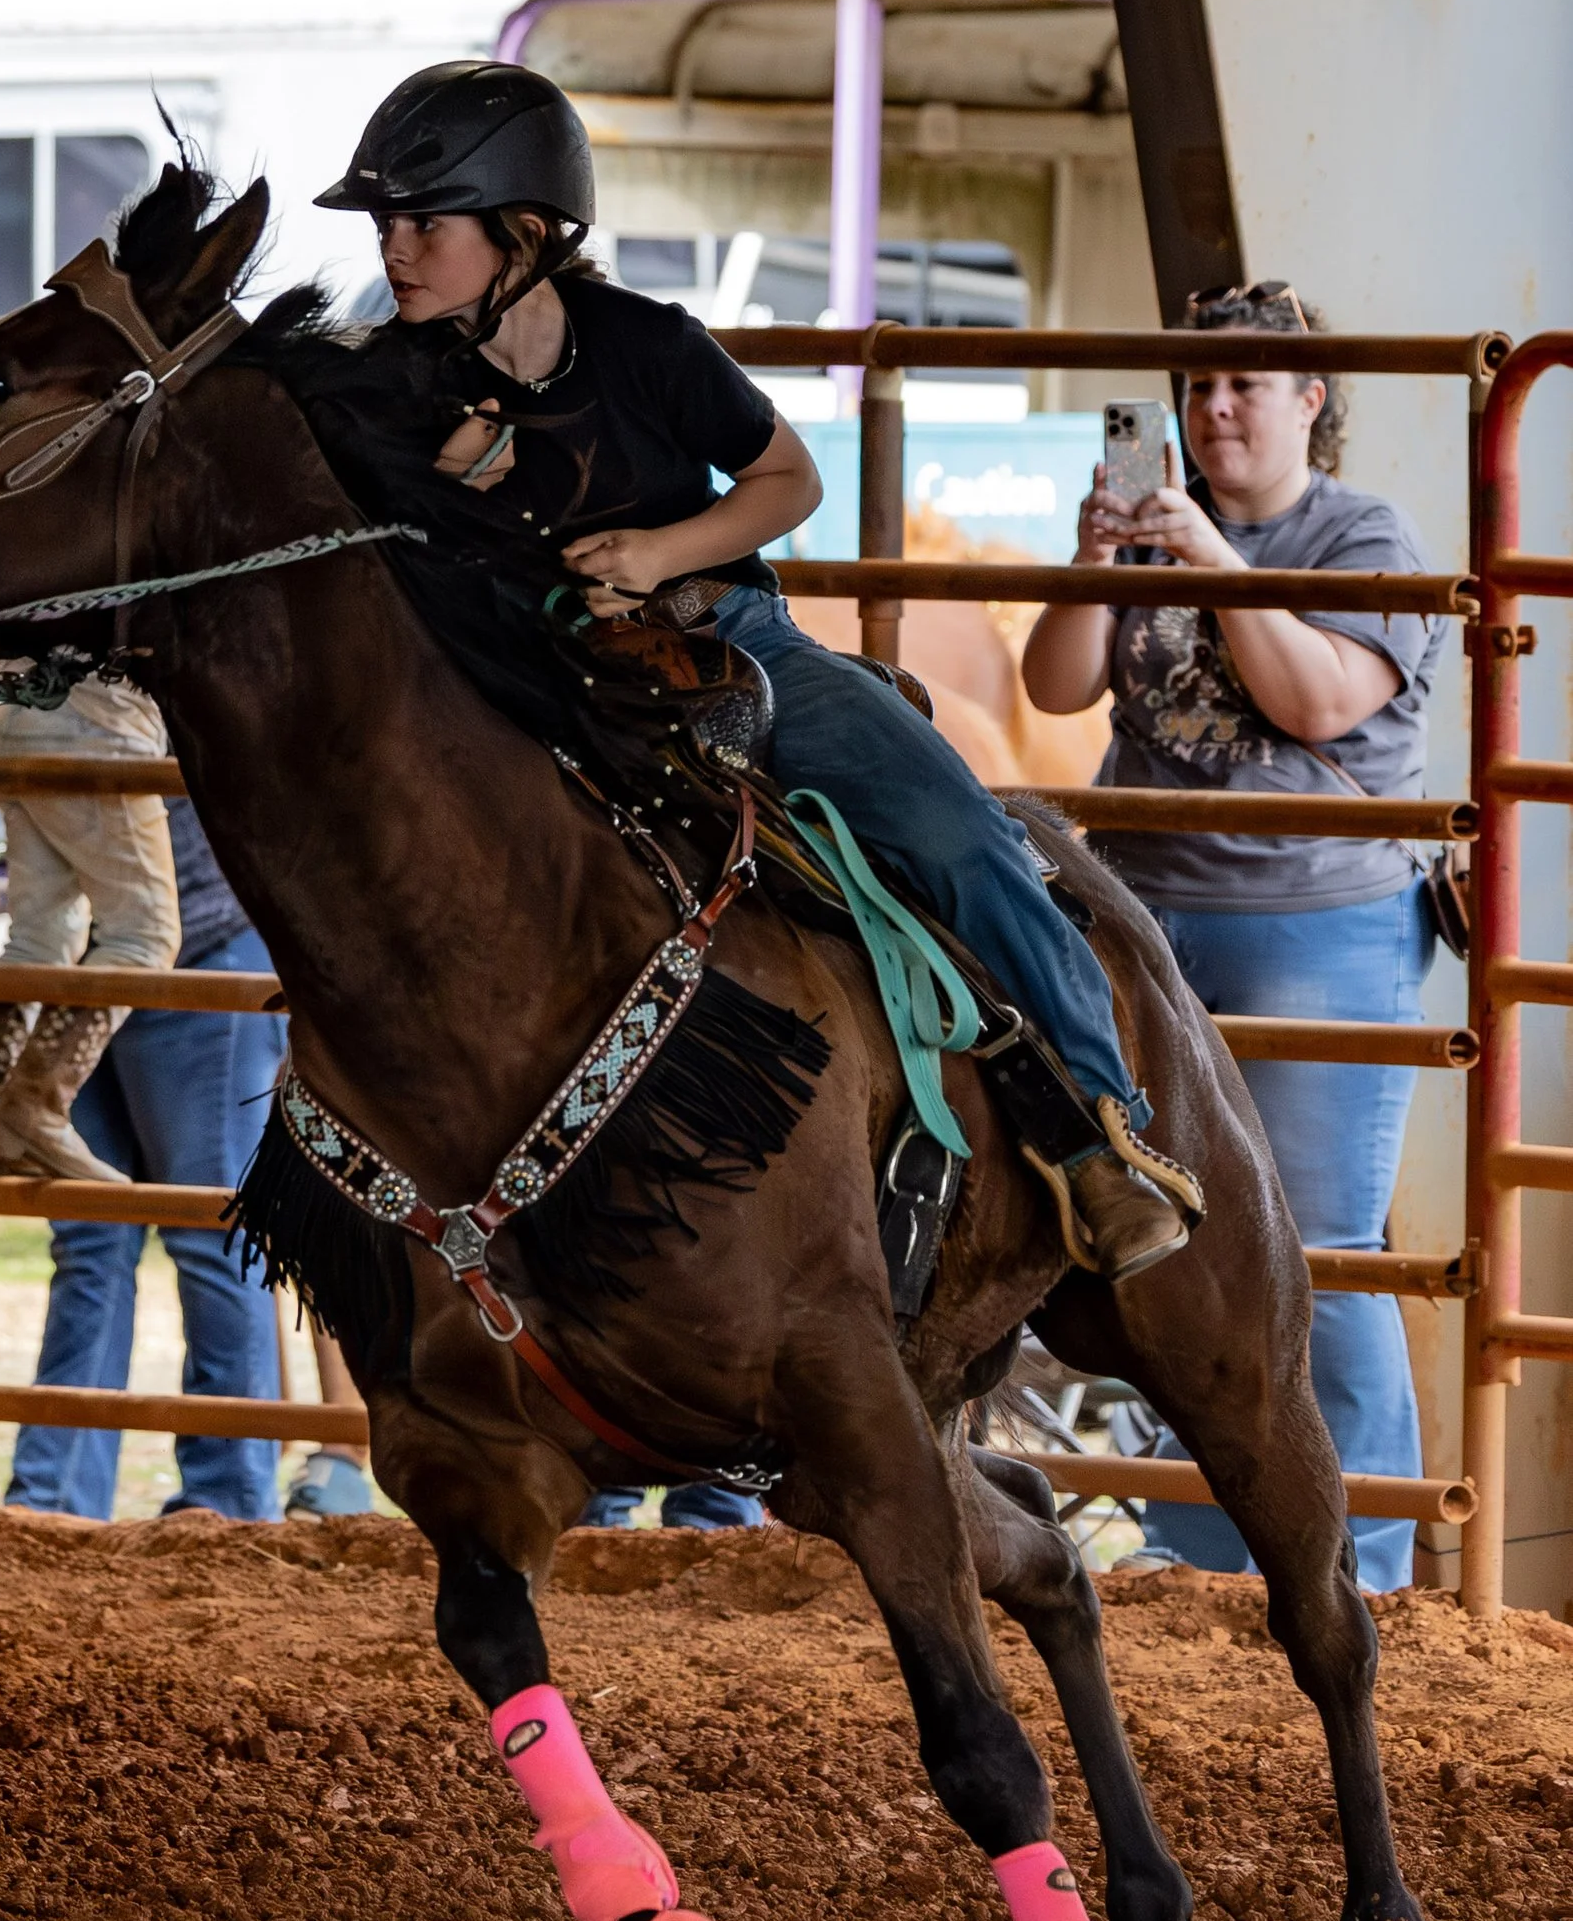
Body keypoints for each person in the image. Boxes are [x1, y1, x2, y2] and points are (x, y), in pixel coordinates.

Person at [312, 63, 1200, 1296]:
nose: (394, 250)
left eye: (422, 222)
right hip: (523, 677)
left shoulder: (648, 347)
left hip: (726, 636)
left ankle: (1103, 1134)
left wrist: (658, 552)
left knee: (959, 831)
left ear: (521, 235)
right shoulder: (381, 378)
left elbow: (789, 480)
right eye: (384, 227)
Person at [1020, 282, 1436, 1594]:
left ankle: (1359, 1552)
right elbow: (1055, 683)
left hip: (1315, 914)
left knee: (1318, 1246)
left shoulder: (1366, 535)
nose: (1216, 408)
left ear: (1312, 402)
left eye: (1246, 383)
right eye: (1198, 387)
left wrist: (1204, 553)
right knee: (1169, 1240)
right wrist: (1100, 559)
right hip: (1142, 918)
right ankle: (1208, 1551)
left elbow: (1314, 702)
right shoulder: (1148, 529)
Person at [4, 798, 288, 1521]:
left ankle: (227, 1499)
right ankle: (54, 1496)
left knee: (208, 1227)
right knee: (89, 1233)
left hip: (194, 948)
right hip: (83, 967)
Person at [0, 671, 180, 1185]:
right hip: (104, 724)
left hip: (17, 718)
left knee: (38, 937)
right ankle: (32, 1108)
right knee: (144, 935)